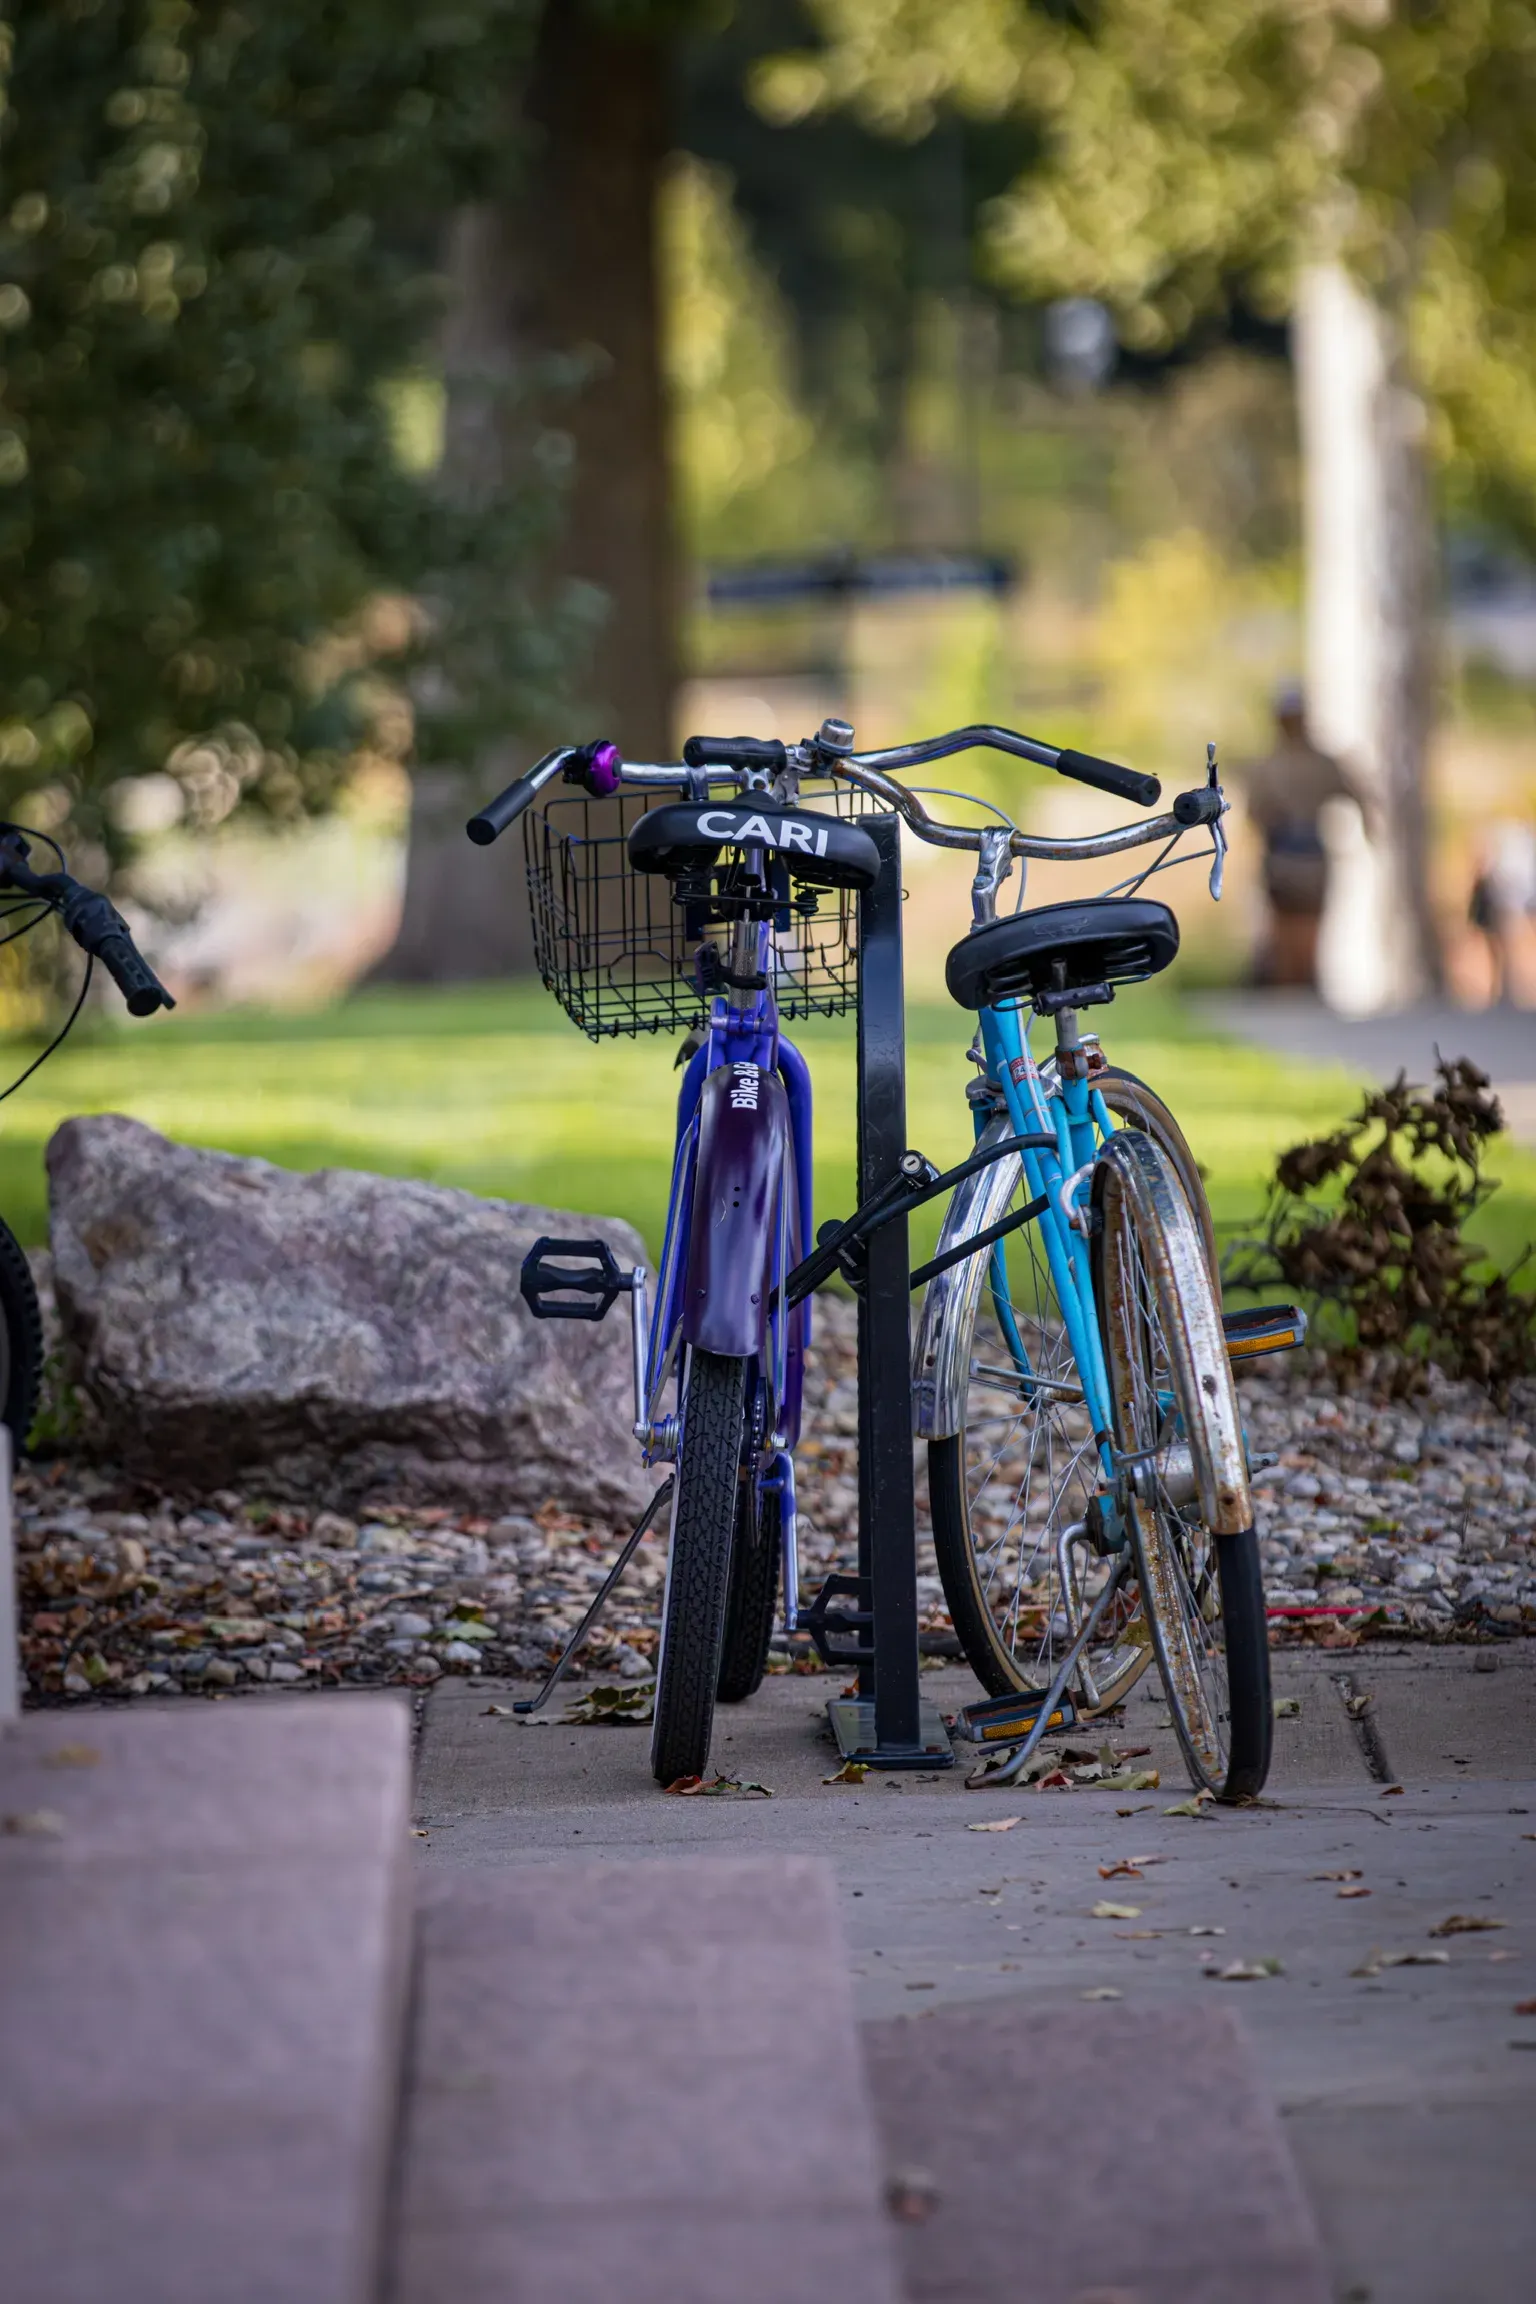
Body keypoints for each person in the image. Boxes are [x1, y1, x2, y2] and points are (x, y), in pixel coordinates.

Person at [1241, 683, 1360, 989]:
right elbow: (1254, 814)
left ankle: (1304, 983)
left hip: (1310, 854)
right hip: (1282, 852)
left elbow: (1357, 794)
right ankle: (1287, 987)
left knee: (1309, 927)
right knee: (1283, 928)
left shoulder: (1319, 762)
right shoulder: (1268, 766)